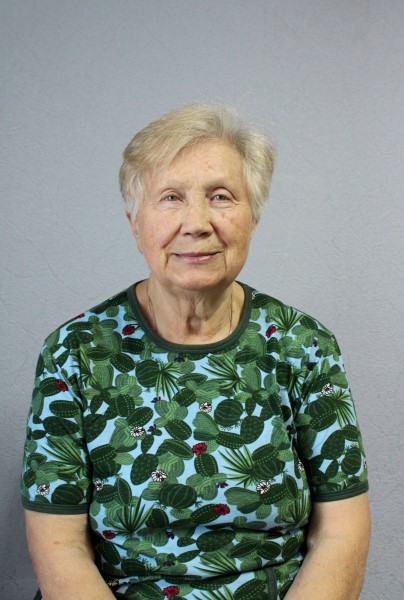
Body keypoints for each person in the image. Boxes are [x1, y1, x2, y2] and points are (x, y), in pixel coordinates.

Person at [22, 104, 370, 600]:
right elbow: (59, 547)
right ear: (135, 223)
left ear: (253, 218)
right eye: (170, 198)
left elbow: (342, 535)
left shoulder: (304, 345)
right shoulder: (74, 352)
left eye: (221, 197)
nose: (196, 223)